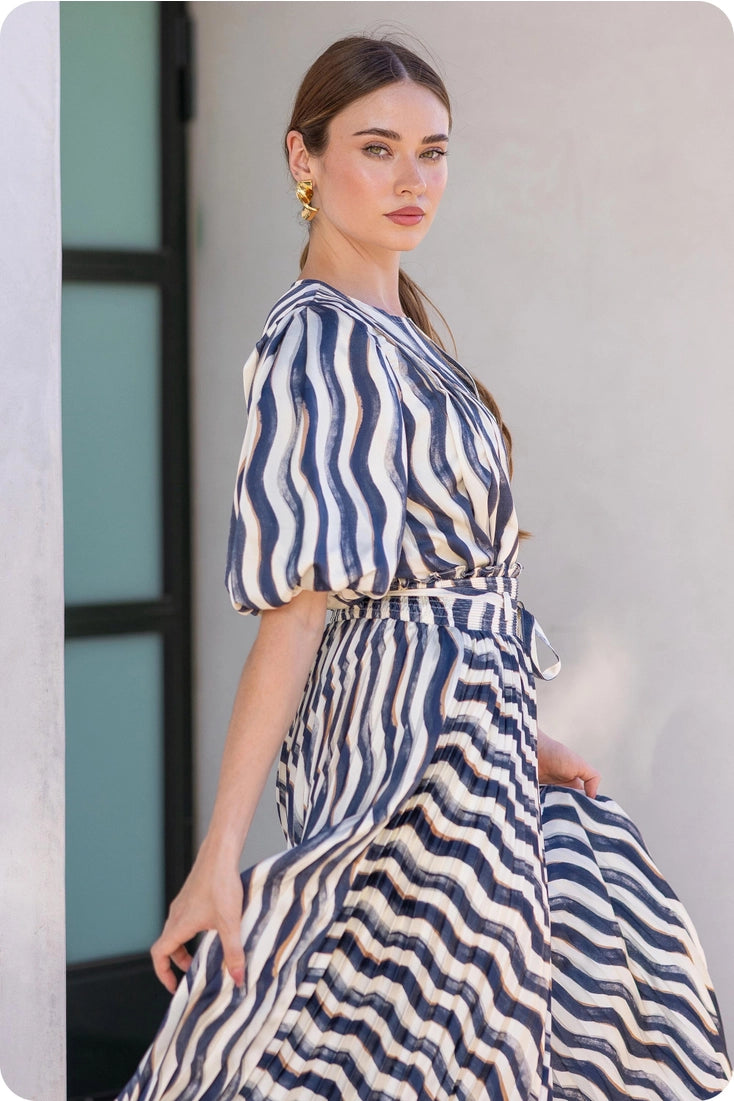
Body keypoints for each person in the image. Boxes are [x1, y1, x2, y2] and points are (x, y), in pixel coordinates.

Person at [118, 35, 731, 1101]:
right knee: (418, 1031)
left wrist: (509, 724)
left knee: (566, 995)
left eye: (433, 152)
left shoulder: (400, 332)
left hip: (466, 740)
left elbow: (436, 579)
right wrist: (218, 854)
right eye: (377, 148)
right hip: (398, 757)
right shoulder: (314, 343)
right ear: (302, 161)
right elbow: (300, 612)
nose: (413, 180)